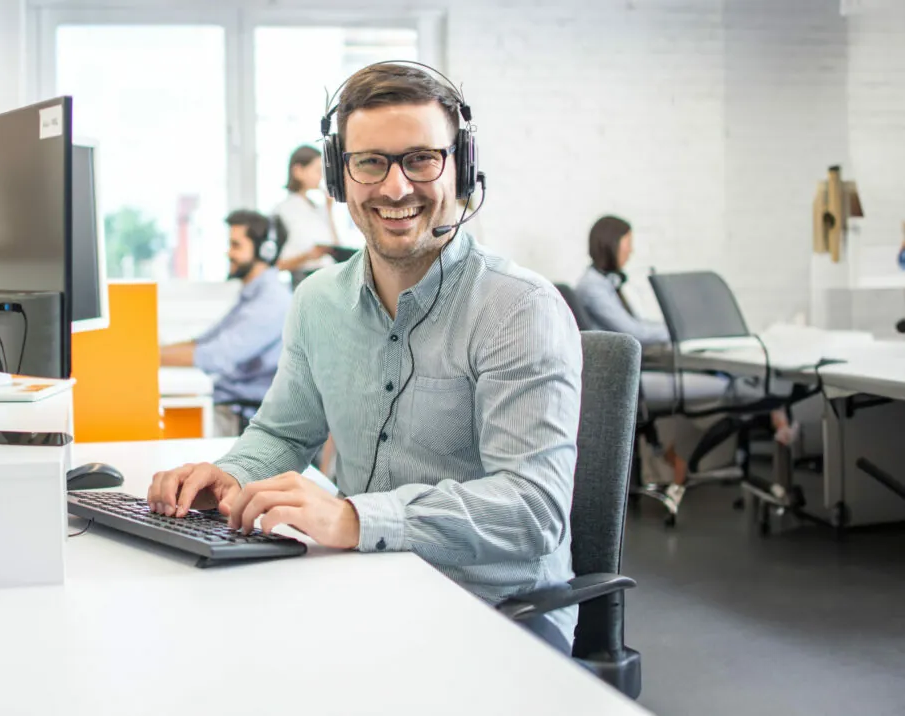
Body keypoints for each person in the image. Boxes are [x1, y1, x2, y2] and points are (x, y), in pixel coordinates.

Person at [148, 63, 582, 654]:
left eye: (422, 158)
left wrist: (355, 519)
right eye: (370, 162)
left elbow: (533, 507)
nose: (395, 188)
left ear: (462, 169)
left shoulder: (518, 308)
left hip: (497, 615)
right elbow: (283, 431)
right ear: (339, 175)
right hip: (358, 589)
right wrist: (232, 473)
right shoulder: (317, 300)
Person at [576, 215, 797, 505]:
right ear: (611, 244)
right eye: (627, 244)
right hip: (628, 383)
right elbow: (633, 332)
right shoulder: (593, 287)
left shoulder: (604, 283)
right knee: (732, 386)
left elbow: (636, 328)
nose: (631, 252)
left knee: (722, 374)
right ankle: (775, 416)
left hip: (636, 374)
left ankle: (775, 416)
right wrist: (684, 327)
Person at [159, 210, 292, 436]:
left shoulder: (272, 301)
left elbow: (216, 355)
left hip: (245, 416)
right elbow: (204, 341)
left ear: (265, 251)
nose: (228, 253)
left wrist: (146, 358)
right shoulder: (254, 294)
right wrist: (153, 352)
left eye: (236, 245)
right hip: (229, 405)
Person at [274, 145, 339, 287]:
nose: (321, 176)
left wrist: (329, 209)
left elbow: (335, 245)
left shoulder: (315, 208)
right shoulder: (283, 210)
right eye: (317, 171)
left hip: (328, 279)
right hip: (305, 281)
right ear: (298, 171)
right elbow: (276, 264)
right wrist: (308, 255)